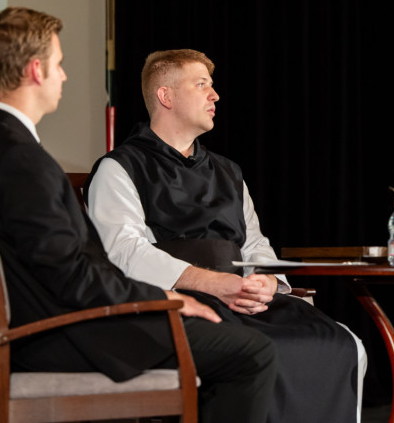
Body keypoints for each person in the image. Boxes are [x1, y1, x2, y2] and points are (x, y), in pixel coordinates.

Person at [0, 7, 278, 423]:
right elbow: (69, 272)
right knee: (252, 352)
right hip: (61, 335)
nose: (63, 77)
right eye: (59, 64)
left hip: (45, 325)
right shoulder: (21, 157)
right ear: (36, 70)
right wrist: (163, 298)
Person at [85, 49, 365, 423]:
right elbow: (123, 252)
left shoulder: (228, 171)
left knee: (340, 342)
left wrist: (268, 281)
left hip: (242, 297)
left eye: (212, 86)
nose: (215, 95)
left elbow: (255, 244)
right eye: (201, 84)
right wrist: (214, 283)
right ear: (166, 96)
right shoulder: (120, 167)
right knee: (263, 351)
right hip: (178, 301)